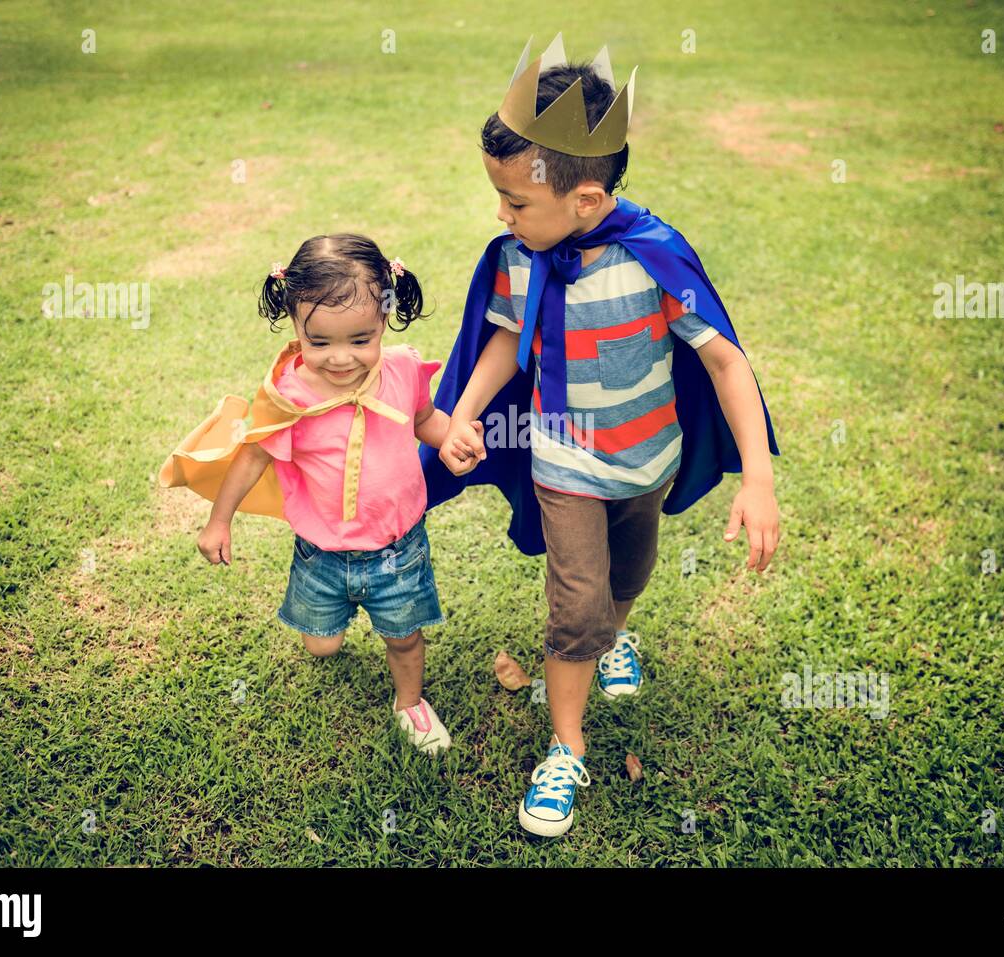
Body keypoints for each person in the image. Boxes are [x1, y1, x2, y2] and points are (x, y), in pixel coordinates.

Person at [421, 35, 782, 834]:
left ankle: (617, 634)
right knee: (576, 602)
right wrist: (469, 412)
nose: (502, 215)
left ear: (584, 199)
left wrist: (757, 474)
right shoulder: (524, 256)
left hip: (648, 460)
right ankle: (567, 747)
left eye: (515, 201)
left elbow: (724, 362)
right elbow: (505, 340)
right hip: (564, 463)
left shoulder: (654, 259)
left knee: (632, 570)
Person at [161, 234, 481, 755]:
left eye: (360, 340)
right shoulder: (290, 397)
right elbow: (253, 456)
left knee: (403, 637)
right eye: (320, 342)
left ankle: (410, 704)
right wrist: (219, 521)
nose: (340, 359)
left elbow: (424, 419)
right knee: (322, 643)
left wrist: (452, 437)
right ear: (296, 329)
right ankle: (331, 623)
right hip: (320, 555)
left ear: (385, 319)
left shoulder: (400, 370)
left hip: (398, 549)